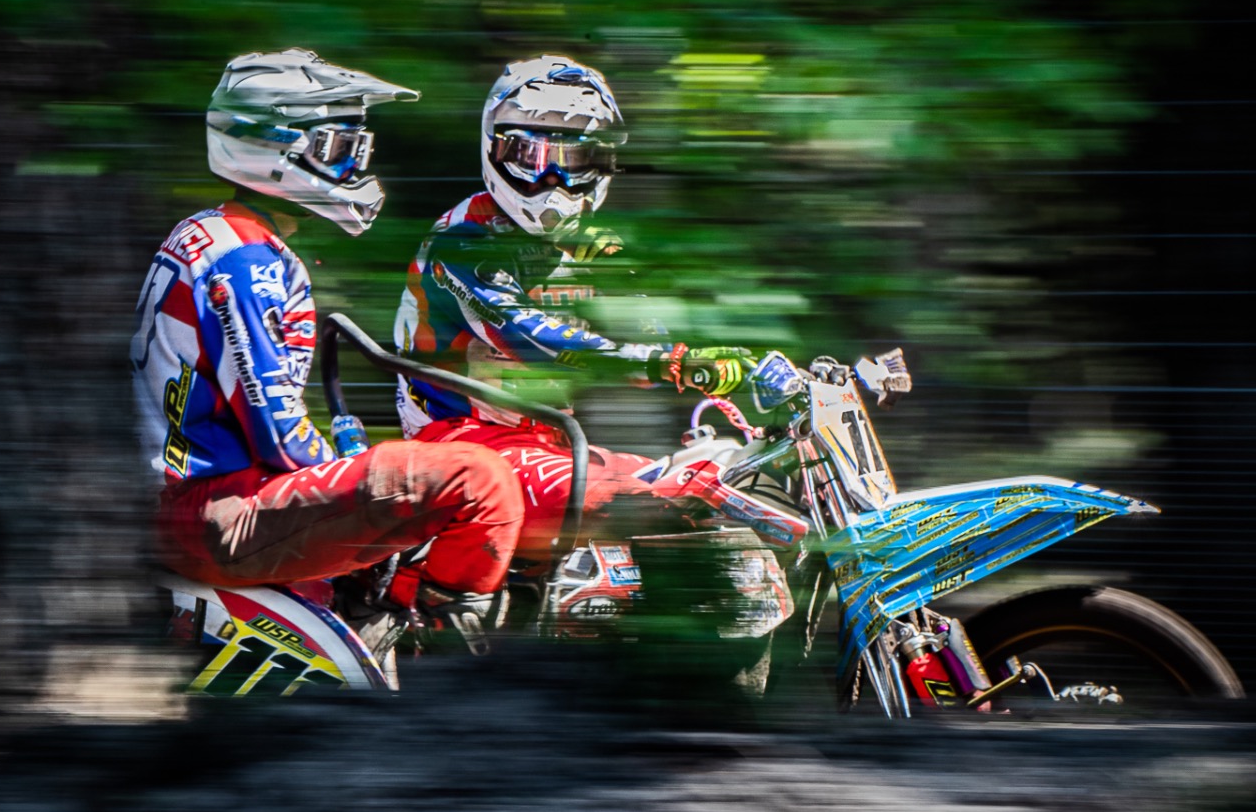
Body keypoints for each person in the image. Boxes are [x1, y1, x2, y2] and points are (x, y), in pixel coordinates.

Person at [133, 48, 521, 645]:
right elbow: (278, 432)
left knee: (402, 471)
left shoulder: (210, 233)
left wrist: (349, 463)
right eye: (339, 149)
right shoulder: (246, 258)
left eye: (359, 150)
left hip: (196, 499)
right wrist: (347, 469)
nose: (354, 166)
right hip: (214, 509)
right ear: (268, 146)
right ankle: (443, 646)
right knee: (478, 476)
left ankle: (375, 623)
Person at [391, 54, 801, 566]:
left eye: (575, 161)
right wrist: (672, 363)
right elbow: (532, 339)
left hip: (549, 443)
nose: (553, 179)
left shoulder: (577, 247)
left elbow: (647, 337)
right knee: (633, 502)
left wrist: (622, 288)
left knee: (714, 482)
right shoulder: (463, 240)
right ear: (495, 149)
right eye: (532, 156)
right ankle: (432, 597)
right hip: (462, 447)